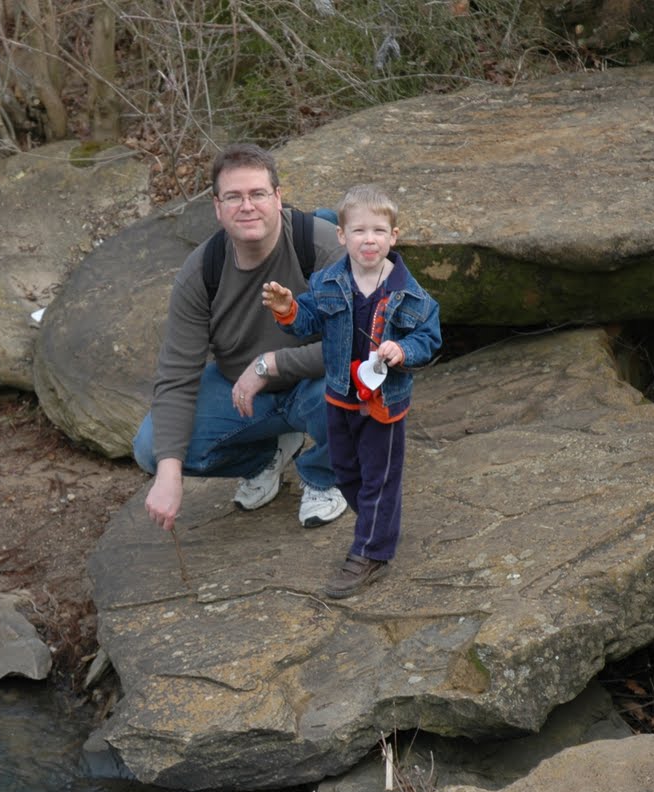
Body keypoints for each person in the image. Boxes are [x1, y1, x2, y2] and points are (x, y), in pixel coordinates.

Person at [132, 143, 348, 532]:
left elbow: (358, 344)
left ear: (277, 197)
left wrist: (271, 364)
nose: (247, 206)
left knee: (357, 387)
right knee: (153, 449)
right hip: (247, 398)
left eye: (257, 194)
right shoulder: (203, 271)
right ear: (217, 207)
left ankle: (325, 474)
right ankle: (265, 456)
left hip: (316, 383)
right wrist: (168, 474)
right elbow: (177, 376)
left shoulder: (321, 245)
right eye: (233, 197)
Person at [261, 183, 442, 598]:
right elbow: (306, 321)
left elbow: (429, 337)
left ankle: (371, 551)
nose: (369, 239)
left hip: (383, 403)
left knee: (380, 477)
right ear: (342, 236)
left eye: (379, 231)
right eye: (359, 231)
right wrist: (288, 308)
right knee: (345, 471)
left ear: (393, 237)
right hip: (340, 395)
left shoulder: (409, 293)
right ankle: (379, 523)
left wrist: (404, 349)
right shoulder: (328, 281)